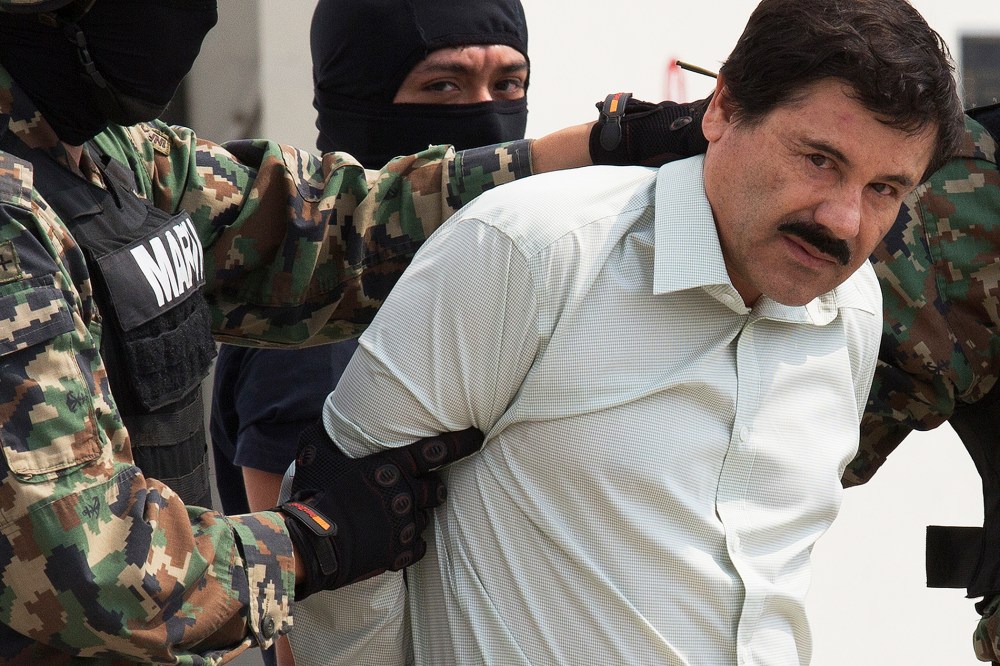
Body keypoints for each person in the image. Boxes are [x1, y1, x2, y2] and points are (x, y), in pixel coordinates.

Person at [285, 0, 965, 663]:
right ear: (721, 108)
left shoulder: (854, 308)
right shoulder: (531, 252)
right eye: (820, 159)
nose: (844, 221)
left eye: (885, 190)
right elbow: (343, 528)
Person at [0, 0, 682, 660]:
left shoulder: (101, 150)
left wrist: (589, 151)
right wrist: (314, 541)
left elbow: (330, 229)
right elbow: (92, 572)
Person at [210, 2, 529, 664]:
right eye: (443, 85)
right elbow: (301, 620)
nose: (487, 114)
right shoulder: (312, 327)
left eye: (508, 84)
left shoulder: (500, 270)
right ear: (362, 99)